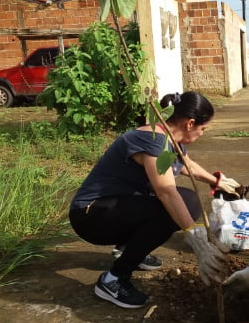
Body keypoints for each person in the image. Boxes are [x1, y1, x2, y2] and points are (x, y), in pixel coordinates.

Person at [69, 91, 240, 309]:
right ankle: (113, 279)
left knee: (186, 201)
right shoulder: (153, 140)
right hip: (90, 215)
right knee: (176, 207)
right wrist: (195, 236)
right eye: (203, 129)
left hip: (114, 207)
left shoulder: (168, 137)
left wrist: (216, 181)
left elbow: (186, 164)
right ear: (190, 123)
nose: (203, 134)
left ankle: (132, 249)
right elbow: (165, 192)